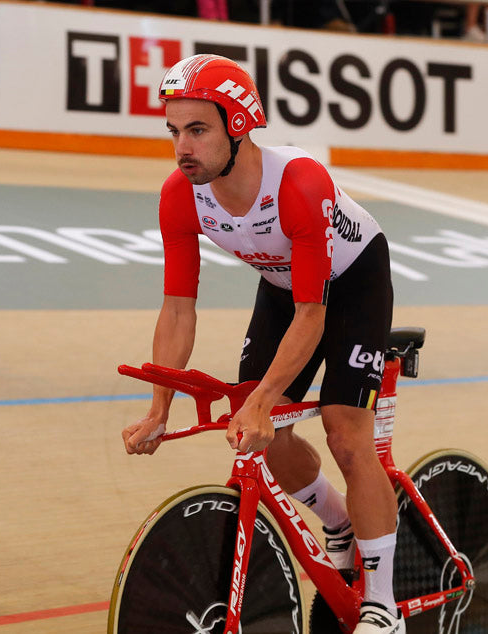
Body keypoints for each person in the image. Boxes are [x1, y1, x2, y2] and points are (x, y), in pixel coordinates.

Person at [121, 54, 403, 634]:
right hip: (284, 286)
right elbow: (177, 310)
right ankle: (339, 521)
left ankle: (383, 603)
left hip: (350, 284)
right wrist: (159, 408)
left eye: (197, 130)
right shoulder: (180, 195)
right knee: (260, 435)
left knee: (346, 433)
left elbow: (314, 312)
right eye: (174, 131)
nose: (182, 148)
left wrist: (262, 399)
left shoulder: (298, 182)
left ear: (239, 124)